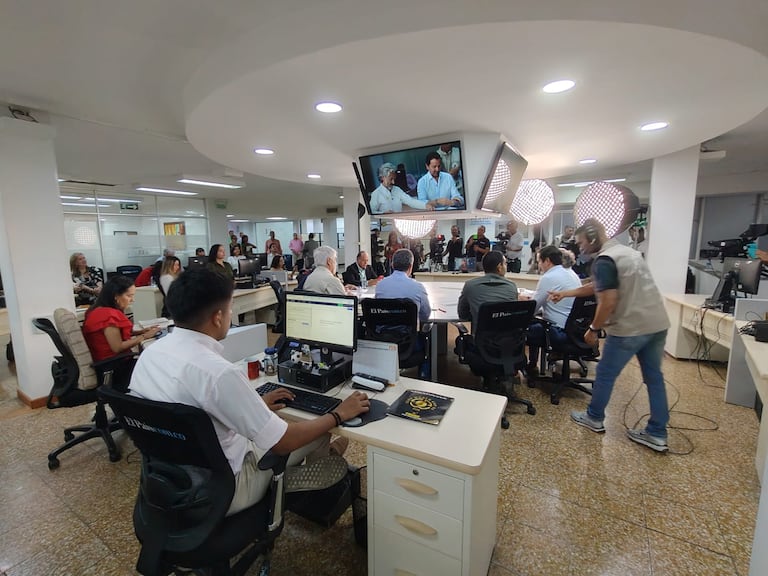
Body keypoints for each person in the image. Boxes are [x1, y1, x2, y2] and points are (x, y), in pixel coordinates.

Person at [129, 267, 370, 515]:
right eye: (230, 307)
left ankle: (311, 475)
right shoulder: (218, 373)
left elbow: (193, 412)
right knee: (318, 430)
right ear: (218, 317)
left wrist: (253, 403)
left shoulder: (150, 354)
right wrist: (339, 414)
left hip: (169, 482)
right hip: (226, 490)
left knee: (279, 422)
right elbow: (284, 442)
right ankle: (293, 484)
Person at [548, 218, 671, 452]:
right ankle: (657, 433)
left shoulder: (604, 261)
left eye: (582, 243)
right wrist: (566, 294)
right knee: (654, 377)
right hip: (656, 324)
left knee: (604, 373)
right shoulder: (626, 253)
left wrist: (594, 329)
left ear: (593, 239)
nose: (580, 248)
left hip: (629, 328)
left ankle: (594, 417)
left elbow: (607, 299)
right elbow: (598, 286)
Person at [518, 246, 581, 374]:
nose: (539, 266)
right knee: (535, 322)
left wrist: (522, 300)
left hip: (556, 330)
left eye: (539, 262)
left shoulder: (549, 277)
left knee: (524, 326)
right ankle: (534, 364)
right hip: (576, 329)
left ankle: (530, 365)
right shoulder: (571, 273)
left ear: (547, 261)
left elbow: (533, 308)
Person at [82, 275, 161, 363]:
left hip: (111, 362)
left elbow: (114, 335)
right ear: (116, 296)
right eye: (129, 296)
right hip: (114, 365)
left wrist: (141, 332)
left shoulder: (97, 309)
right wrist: (144, 336)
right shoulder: (108, 316)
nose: (132, 300)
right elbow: (117, 347)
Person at [457, 251, 518, 330]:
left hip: (481, 340)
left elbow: (462, 314)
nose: (506, 266)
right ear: (499, 267)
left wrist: (476, 315)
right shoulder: (511, 286)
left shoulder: (470, 285)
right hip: (507, 339)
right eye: (505, 263)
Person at [375, 249, 431, 324]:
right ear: (410, 267)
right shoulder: (418, 287)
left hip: (382, 333)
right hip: (408, 333)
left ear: (392, 265)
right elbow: (425, 316)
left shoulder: (380, 285)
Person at [370, 163, 435, 214]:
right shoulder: (376, 194)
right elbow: (371, 212)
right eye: (391, 179)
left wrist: (425, 206)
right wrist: (382, 213)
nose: (393, 182)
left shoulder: (397, 190)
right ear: (382, 178)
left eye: (394, 179)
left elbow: (410, 201)